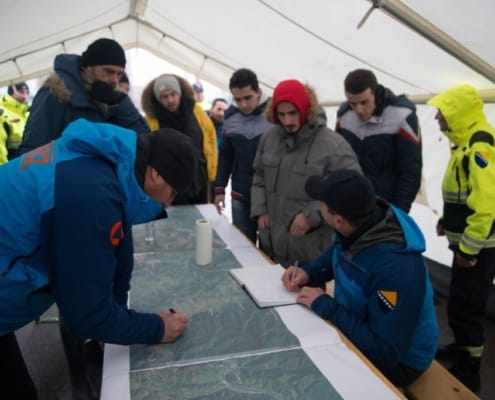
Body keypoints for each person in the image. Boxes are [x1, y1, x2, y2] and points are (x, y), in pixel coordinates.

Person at [0, 118, 195, 400]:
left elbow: (119, 252)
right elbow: (85, 314)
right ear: (155, 174)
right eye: (173, 192)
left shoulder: (108, 167)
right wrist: (157, 328)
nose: (169, 202)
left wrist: (118, 317)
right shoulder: (89, 196)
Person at [282, 169, 439, 387]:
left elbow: (384, 352)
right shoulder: (359, 222)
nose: (318, 205)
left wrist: (328, 307)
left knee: (304, 375)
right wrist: (309, 272)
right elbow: (339, 253)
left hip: (402, 362)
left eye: (321, 204)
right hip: (362, 327)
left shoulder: (396, 271)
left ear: (338, 220)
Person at [427, 84, 495, 394]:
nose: (437, 118)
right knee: (459, 302)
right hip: (466, 246)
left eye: (441, 112)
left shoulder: (480, 145)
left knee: (467, 307)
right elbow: (462, 193)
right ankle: (462, 348)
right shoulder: (464, 144)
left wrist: (468, 249)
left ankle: (471, 369)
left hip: (478, 249)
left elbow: (486, 205)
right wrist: (447, 221)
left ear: (457, 113)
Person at [251, 79, 361, 266]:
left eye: (293, 113)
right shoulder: (269, 139)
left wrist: (312, 215)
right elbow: (259, 175)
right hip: (272, 244)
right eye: (281, 114)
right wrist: (260, 208)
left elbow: (351, 192)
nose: (287, 121)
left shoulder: (333, 146)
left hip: (309, 250)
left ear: (305, 110)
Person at [19, 38, 149, 153]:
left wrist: (120, 103)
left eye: (119, 74)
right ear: (89, 67)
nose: (115, 80)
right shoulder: (57, 93)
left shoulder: (114, 101)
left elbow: (144, 141)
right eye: (109, 72)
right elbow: (33, 147)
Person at [335, 69, 422, 213]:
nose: (359, 110)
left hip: (386, 207)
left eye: (364, 102)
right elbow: (338, 161)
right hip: (352, 206)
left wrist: (397, 214)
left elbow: (411, 171)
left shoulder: (402, 116)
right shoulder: (344, 115)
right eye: (353, 104)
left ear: (375, 93)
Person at [214, 68, 272, 243]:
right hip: (240, 194)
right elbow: (226, 156)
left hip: (270, 197)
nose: (244, 104)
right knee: (242, 246)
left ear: (258, 91)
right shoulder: (230, 117)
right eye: (238, 99)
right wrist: (219, 189)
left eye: (248, 98)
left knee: (269, 248)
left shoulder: (275, 113)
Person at [141, 74, 217, 204]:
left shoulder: (197, 112)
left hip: (199, 181)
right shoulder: (151, 121)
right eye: (164, 96)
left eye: (173, 94)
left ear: (180, 94)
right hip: (168, 186)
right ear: (158, 99)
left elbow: (210, 139)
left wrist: (211, 172)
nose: (170, 100)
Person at [0, 82, 30, 163]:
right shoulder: (2, 114)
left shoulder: (28, 112)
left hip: (27, 162)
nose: (25, 96)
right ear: (12, 92)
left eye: (27, 92)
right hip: (11, 162)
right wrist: (3, 168)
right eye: (21, 92)